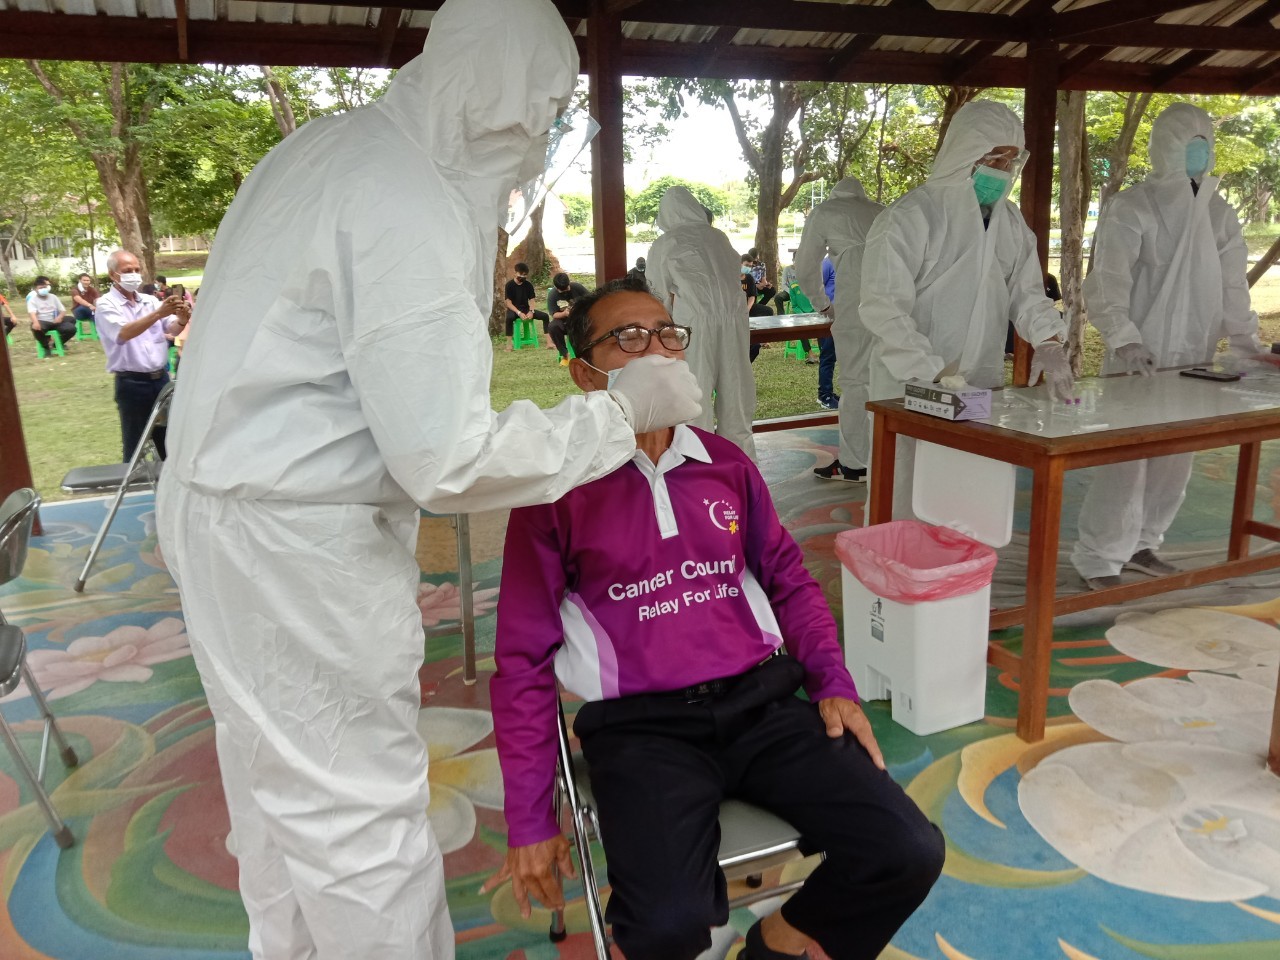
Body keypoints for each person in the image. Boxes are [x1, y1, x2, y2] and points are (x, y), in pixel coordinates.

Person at [154, 2, 701, 958]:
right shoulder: (405, 199)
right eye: (541, 113)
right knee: (360, 818)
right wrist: (619, 417)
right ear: (498, 98)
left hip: (225, 511)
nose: (537, 141)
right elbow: (446, 455)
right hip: (295, 541)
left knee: (276, 793)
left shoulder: (331, 147)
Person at [485, 276, 944, 960]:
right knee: (665, 924)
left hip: (763, 705)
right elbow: (522, 659)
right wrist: (529, 818)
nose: (657, 350)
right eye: (628, 338)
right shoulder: (555, 492)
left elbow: (789, 579)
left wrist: (832, 682)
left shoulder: (725, 463)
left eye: (668, 334)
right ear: (584, 374)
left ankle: (776, 943)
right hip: (642, 731)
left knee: (905, 850)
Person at [1071, 102, 1259, 591]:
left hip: (1194, 355)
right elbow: (1108, 280)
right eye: (1189, 144)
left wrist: (1246, 341)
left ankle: (1144, 543)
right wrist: (1124, 338)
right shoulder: (1134, 206)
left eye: (1204, 144)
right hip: (1139, 356)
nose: (1199, 153)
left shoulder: (1218, 212)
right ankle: (1099, 557)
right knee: (1126, 457)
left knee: (1176, 455)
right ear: (1166, 148)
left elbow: (1233, 283)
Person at [859, 99, 1072, 517]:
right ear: (965, 151)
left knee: (970, 494)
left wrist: (1049, 340)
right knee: (902, 491)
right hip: (909, 384)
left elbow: (1027, 292)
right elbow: (884, 306)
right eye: (994, 157)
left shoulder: (1010, 222)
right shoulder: (912, 215)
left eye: (1011, 160)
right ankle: (893, 562)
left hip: (978, 383)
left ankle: (961, 561)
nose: (1003, 169)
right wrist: (932, 372)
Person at [647, 185, 758, 459]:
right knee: (736, 396)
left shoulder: (666, 243)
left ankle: (698, 466)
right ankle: (742, 467)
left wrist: (661, 332)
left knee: (694, 397)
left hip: (693, 322)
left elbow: (656, 294)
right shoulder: (718, 237)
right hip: (734, 319)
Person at [795, 176, 885, 481]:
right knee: (888, 380)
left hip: (854, 301)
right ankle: (885, 456)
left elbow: (805, 268)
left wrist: (822, 305)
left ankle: (855, 464)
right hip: (896, 300)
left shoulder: (825, 211)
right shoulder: (881, 210)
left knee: (855, 382)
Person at [95, 250, 190, 459]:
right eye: (127, 270)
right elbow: (123, 333)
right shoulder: (106, 304)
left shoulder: (149, 300)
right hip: (132, 383)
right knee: (135, 445)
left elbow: (171, 328)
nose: (134, 274)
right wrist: (158, 314)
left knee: (168, 442)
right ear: (112, 274)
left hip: (161, 380)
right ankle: (131, 479)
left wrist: (182, 319)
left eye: (137, 270)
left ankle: (166, 478)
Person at [503, 261, 551, 349]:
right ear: (515, 273)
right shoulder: (509, 285)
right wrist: (518, 313)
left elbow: (532, 300)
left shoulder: (528, 285)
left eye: (525, 275)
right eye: (521, 274)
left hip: (526, 309)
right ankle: (509, 344)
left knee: (545, 316)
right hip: (514, 310)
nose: (523, 276)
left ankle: (549, 342)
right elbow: (508, 303)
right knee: (509, 318)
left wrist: (531, 311)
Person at [26, 276, 76, 356]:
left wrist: (60, 317)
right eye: (41, 288)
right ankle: (46, 347)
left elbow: (62, 310)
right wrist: (35, 322)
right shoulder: (33, 300)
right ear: (35, 289)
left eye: (45, 287)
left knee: (71, 328)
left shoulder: (53, 297)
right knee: (36, 328)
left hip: (55, 321)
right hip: (43, 321)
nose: (43, 289)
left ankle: (57, 344)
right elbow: (32, 313)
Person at [545, 271, 588, 365]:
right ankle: (565, 355)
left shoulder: (578, 288)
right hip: (563, 321)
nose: (565, 292)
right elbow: (554, 314)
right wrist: (564, 313)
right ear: (556, 287)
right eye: (562, 291)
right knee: (553, 326)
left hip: (579, 320)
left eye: (567, 289)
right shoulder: (553, 294)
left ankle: (584, 355)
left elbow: (591, 301)